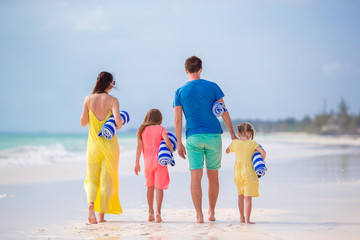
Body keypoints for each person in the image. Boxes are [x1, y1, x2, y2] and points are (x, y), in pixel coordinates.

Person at [173, 56, 237, 223]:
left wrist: (179, 143)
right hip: (213, 136)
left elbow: (178, 120)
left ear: (186, 70)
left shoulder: (180, 92)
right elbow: (224, 111)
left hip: (193, 137)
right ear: (201, 69)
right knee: (213, 175)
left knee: (195, 176)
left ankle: (199, 215)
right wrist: (232, 134)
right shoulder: (213, 87)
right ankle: (211, 212)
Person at [80, 71, 123, 224]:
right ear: (109, 83)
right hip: (110, 147)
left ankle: (91, 206)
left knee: (91, 178)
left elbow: (83, 122)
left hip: (92, 147)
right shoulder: (113, 100)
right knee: (106, 181)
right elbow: (118, 122)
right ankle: (101, 217)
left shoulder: (88, 99)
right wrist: (118, 121)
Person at [134, 109, 174, 223]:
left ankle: (150, 212)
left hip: (148, 162)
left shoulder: (141, 130)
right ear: (159, 119)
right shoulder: (161, 129)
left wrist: (137, 162)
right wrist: (171, 150)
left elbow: (139, 147)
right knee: (159, 188)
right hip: (160, 161)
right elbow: (167, 141)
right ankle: (158, 212)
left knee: (149, 187)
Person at [226, 122, 266, 224]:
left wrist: (234, 142)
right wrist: (261, 161)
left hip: (238, 174)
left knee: (240, 196)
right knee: (248, 198)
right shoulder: (253, 143)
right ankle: (248, 220)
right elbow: (263, 153)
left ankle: (241, 218)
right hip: (249, 173)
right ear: (250, 134)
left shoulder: (235, 143)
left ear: (239, 134)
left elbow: (227, 151)